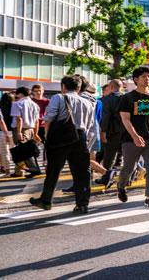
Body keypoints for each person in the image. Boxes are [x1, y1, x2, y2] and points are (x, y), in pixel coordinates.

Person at [29, 75, 97, 214]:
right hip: (80, 137)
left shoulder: (58, 98)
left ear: (63, 87)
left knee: (53, 170)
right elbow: (90, 125)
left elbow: (48, 119)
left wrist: (48, 137)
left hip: (60, 137)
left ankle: (46, 200)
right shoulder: (88, 102)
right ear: (79, 88)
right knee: (82, 173)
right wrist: (87, 143)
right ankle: (82, 204)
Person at [116, 67, 149, 208]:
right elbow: (125, 119)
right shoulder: (127, 98)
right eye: (143, 76)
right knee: (129, 167)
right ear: (136, 79)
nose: (147, 78)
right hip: (131, 139)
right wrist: (135, 136)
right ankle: (121, 185)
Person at [97, 79, 125, 187]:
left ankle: (106, 177)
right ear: (121, 87)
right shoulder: (127, 98)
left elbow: (106, 117)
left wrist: (103, 131)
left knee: (109, 156)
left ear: (111, 87)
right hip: (126, 131)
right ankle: (130, 176)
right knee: (127, 156)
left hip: (112, 131)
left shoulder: (106, 100)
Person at [10, 86, 41, 177]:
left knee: (24, 151)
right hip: (31, 129)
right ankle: (19, 171)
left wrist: (19, 132)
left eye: (17, 94)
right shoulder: (35, 105)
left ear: (20, 94)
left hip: (21, 129)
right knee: (26, 150)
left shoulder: (17, 104)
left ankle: (34, 169)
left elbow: (19, 119)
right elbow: (37, 121)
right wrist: (35, 133)